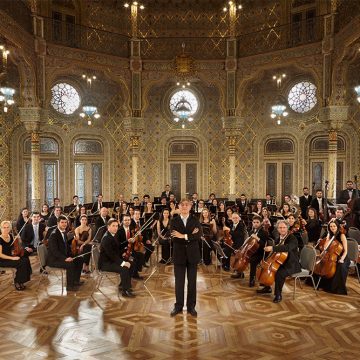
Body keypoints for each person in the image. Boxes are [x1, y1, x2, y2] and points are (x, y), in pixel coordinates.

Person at [170, 199, 202, 317]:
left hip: (192, 255)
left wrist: (183, 235)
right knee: (179, 282)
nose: (184, 206)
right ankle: (178, 306)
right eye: (182, 205)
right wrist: (190, 235)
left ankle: (191, 307)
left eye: (186, 205)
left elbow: (198, 235)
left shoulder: (195, 220)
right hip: (179, 255)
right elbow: (174, 237)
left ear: (190, 207)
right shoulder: (174, 220)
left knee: (192, 282)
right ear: (178, 206)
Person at [258, 220, 301, 303]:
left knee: (279, 273)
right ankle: (267, 287)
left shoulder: (293, 238)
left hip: (291, 264)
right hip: (280, 261)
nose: (282, 229)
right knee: (270, 269)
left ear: (287, 228)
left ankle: (278, 295)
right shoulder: (278, 238)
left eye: (284, 227)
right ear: (277, 229)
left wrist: (273, 248)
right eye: (280, 228)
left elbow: (287, 248)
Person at [99, 218, 134, 297]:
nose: (115, 228)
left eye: (117, 226)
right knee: (124, 268)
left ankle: (123, 285)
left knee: (131, 264)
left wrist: (127, 241)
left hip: (112, 260)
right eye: (113, 226)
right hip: (106, 263)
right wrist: (123, 263)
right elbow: (112, 255)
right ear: (108, 227)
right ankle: (125, 291)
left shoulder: (113, 235)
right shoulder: (106, 238)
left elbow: (118, 246)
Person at [47, 215, 84, 291]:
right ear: (58, 223)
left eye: (65, 222)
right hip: (54, 259)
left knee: (79, 258)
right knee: (70, 264)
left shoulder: (63, 232)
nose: (64, 224)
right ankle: (70, 286)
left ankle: (75, 281)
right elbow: (55, 251)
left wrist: (73, 254)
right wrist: (65, 258)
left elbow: (66, 246)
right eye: (62, 222)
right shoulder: (54, 235)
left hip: (61, 256)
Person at [314, 220, 350, 295]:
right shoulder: (329, 234)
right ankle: (322, 284)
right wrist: (323, 241)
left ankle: (337, 289)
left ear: (337, 226)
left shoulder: (342, 235)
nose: (332, 228)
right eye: (331, 226)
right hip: (332, 256)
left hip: (342, 256)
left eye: (334, 226)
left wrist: (342, 259)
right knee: (320, 264)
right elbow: (326, 247)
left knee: (340, 267)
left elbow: (346, 251)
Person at [0, 220, 32, 290]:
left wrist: (18, 239)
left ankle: (22, 281)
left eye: (7, 227)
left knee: (26, 259)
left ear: (10, 228)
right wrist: (12, 258)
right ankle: (17, 281)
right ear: (1, 228)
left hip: (10, 256)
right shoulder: (0, 239)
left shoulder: (10, 236)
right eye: (4, 227)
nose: (6, 229)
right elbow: (0, 255)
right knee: (21, 263)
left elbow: (14, 247)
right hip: (2, 260)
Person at [248, 216, 268, 287]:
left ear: (261, 223)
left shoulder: (264, 233)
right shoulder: (251, 231)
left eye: (257, 222)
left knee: (253, 260)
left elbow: (264, 245)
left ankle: (252, 279)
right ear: (252, 223)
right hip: (252, 251)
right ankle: (239, 272)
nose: (255, 224)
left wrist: (258, 239)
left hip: (260, 252)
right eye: (254, 222)